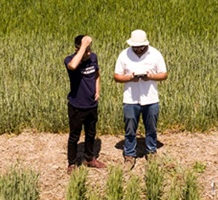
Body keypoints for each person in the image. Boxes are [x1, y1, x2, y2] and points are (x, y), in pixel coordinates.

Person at [113, 29, 167, 169]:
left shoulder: (155, 54)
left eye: (139, 47)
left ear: (145, 45)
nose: (137, 50)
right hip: (131, 99)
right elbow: (116, 76)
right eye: (135, 47)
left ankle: (151, 152)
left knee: (151, 128)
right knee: (130, 129)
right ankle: (130, 155)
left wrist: (150, 77)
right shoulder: (124, 55)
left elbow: (164, 74)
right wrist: (129, 78)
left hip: (151, 98)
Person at [65, 34, 106, 174]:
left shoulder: (93, 58)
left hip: (91, 105)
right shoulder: (70, 60)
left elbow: (97, 74)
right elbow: (73, 66)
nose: (89, 53)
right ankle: (72, 163)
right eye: (85, 50)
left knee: (91, 133)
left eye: (89, 49)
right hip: (77, 106)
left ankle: (89, 158)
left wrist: (97, 90)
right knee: (74, 136)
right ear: (77, 49)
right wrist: (83, 47)